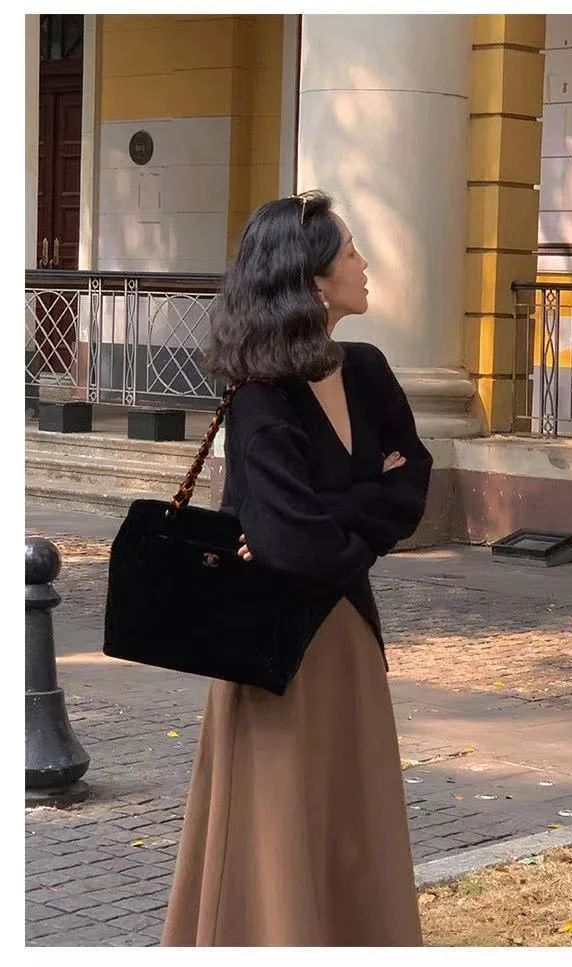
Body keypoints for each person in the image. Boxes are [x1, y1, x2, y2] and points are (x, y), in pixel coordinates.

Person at [161, 190, 433, 946]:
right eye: (350, 251)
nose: (364, 263)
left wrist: (328, 515)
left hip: (350, 640)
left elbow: (412, 487)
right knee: (278, 838)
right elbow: (295, 542)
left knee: (352, 828)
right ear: (312, 280)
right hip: (277, 653)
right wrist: (357, 508)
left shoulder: (368, 371)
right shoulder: (262, 398)